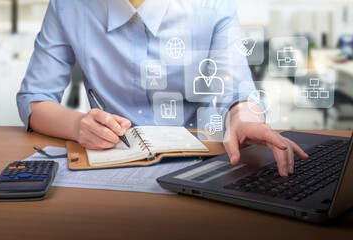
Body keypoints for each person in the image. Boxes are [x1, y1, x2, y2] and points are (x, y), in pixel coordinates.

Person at [17, 0, 308, 178]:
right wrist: (78, 124)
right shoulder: (68, 6)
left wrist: (244, 121)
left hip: (204, 158)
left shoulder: (214, 5)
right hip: (113, 158)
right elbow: (34, 98)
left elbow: (236, 92)